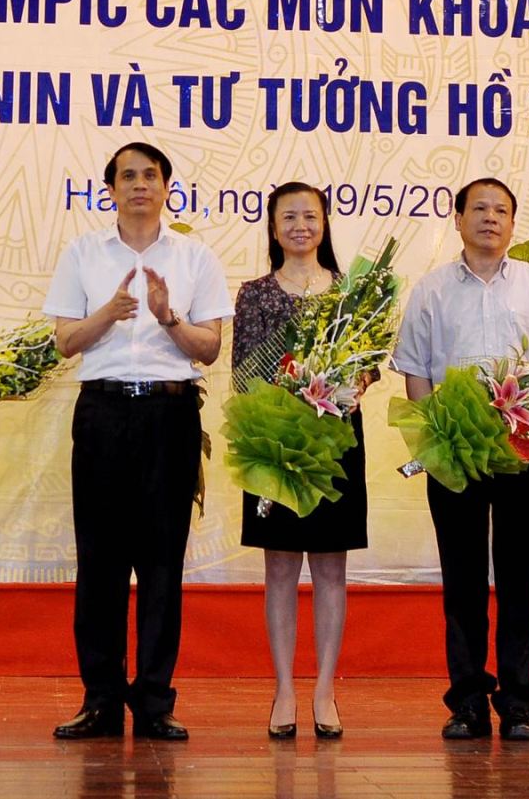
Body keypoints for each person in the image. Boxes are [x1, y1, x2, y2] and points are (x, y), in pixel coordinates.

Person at [43, 142, 233, 741]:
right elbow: (65, 342)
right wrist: (109, 312)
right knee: (99, 562)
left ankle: (153, 701)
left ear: (167, 187)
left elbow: (210, 349)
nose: (140, 185)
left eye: (151, 175)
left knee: (161, 563)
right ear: (111, 190)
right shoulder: (82, 253)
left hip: (169, 415)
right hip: (102, 414)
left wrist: (167, 316)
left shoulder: (196, 257)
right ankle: (100, 700)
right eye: (128, 176)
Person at [392, 177, 529, 742]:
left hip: (524, 449)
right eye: (479, 208)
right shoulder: (431, 290)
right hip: (456, 454)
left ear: (513, 223)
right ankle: (468, 701)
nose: (490, 218)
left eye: (501, 210)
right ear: (458, 219)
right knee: (463, 579)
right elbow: (415, 370)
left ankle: (519, 703)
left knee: (522, 578)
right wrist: (436, 440)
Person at [232, 182, 370, 740]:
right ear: (272, 227)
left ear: (325, 224)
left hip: (337, 439)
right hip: (277, 441)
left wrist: (353, 383)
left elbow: (368, 362)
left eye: (310, 216)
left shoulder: (351, 292)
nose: (300, 226)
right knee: (281, 566)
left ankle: (325, 689)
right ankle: (285, 688)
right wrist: (288, 397)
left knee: (332, 567)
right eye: (288, 217)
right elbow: (243, 373)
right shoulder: (254, 294)